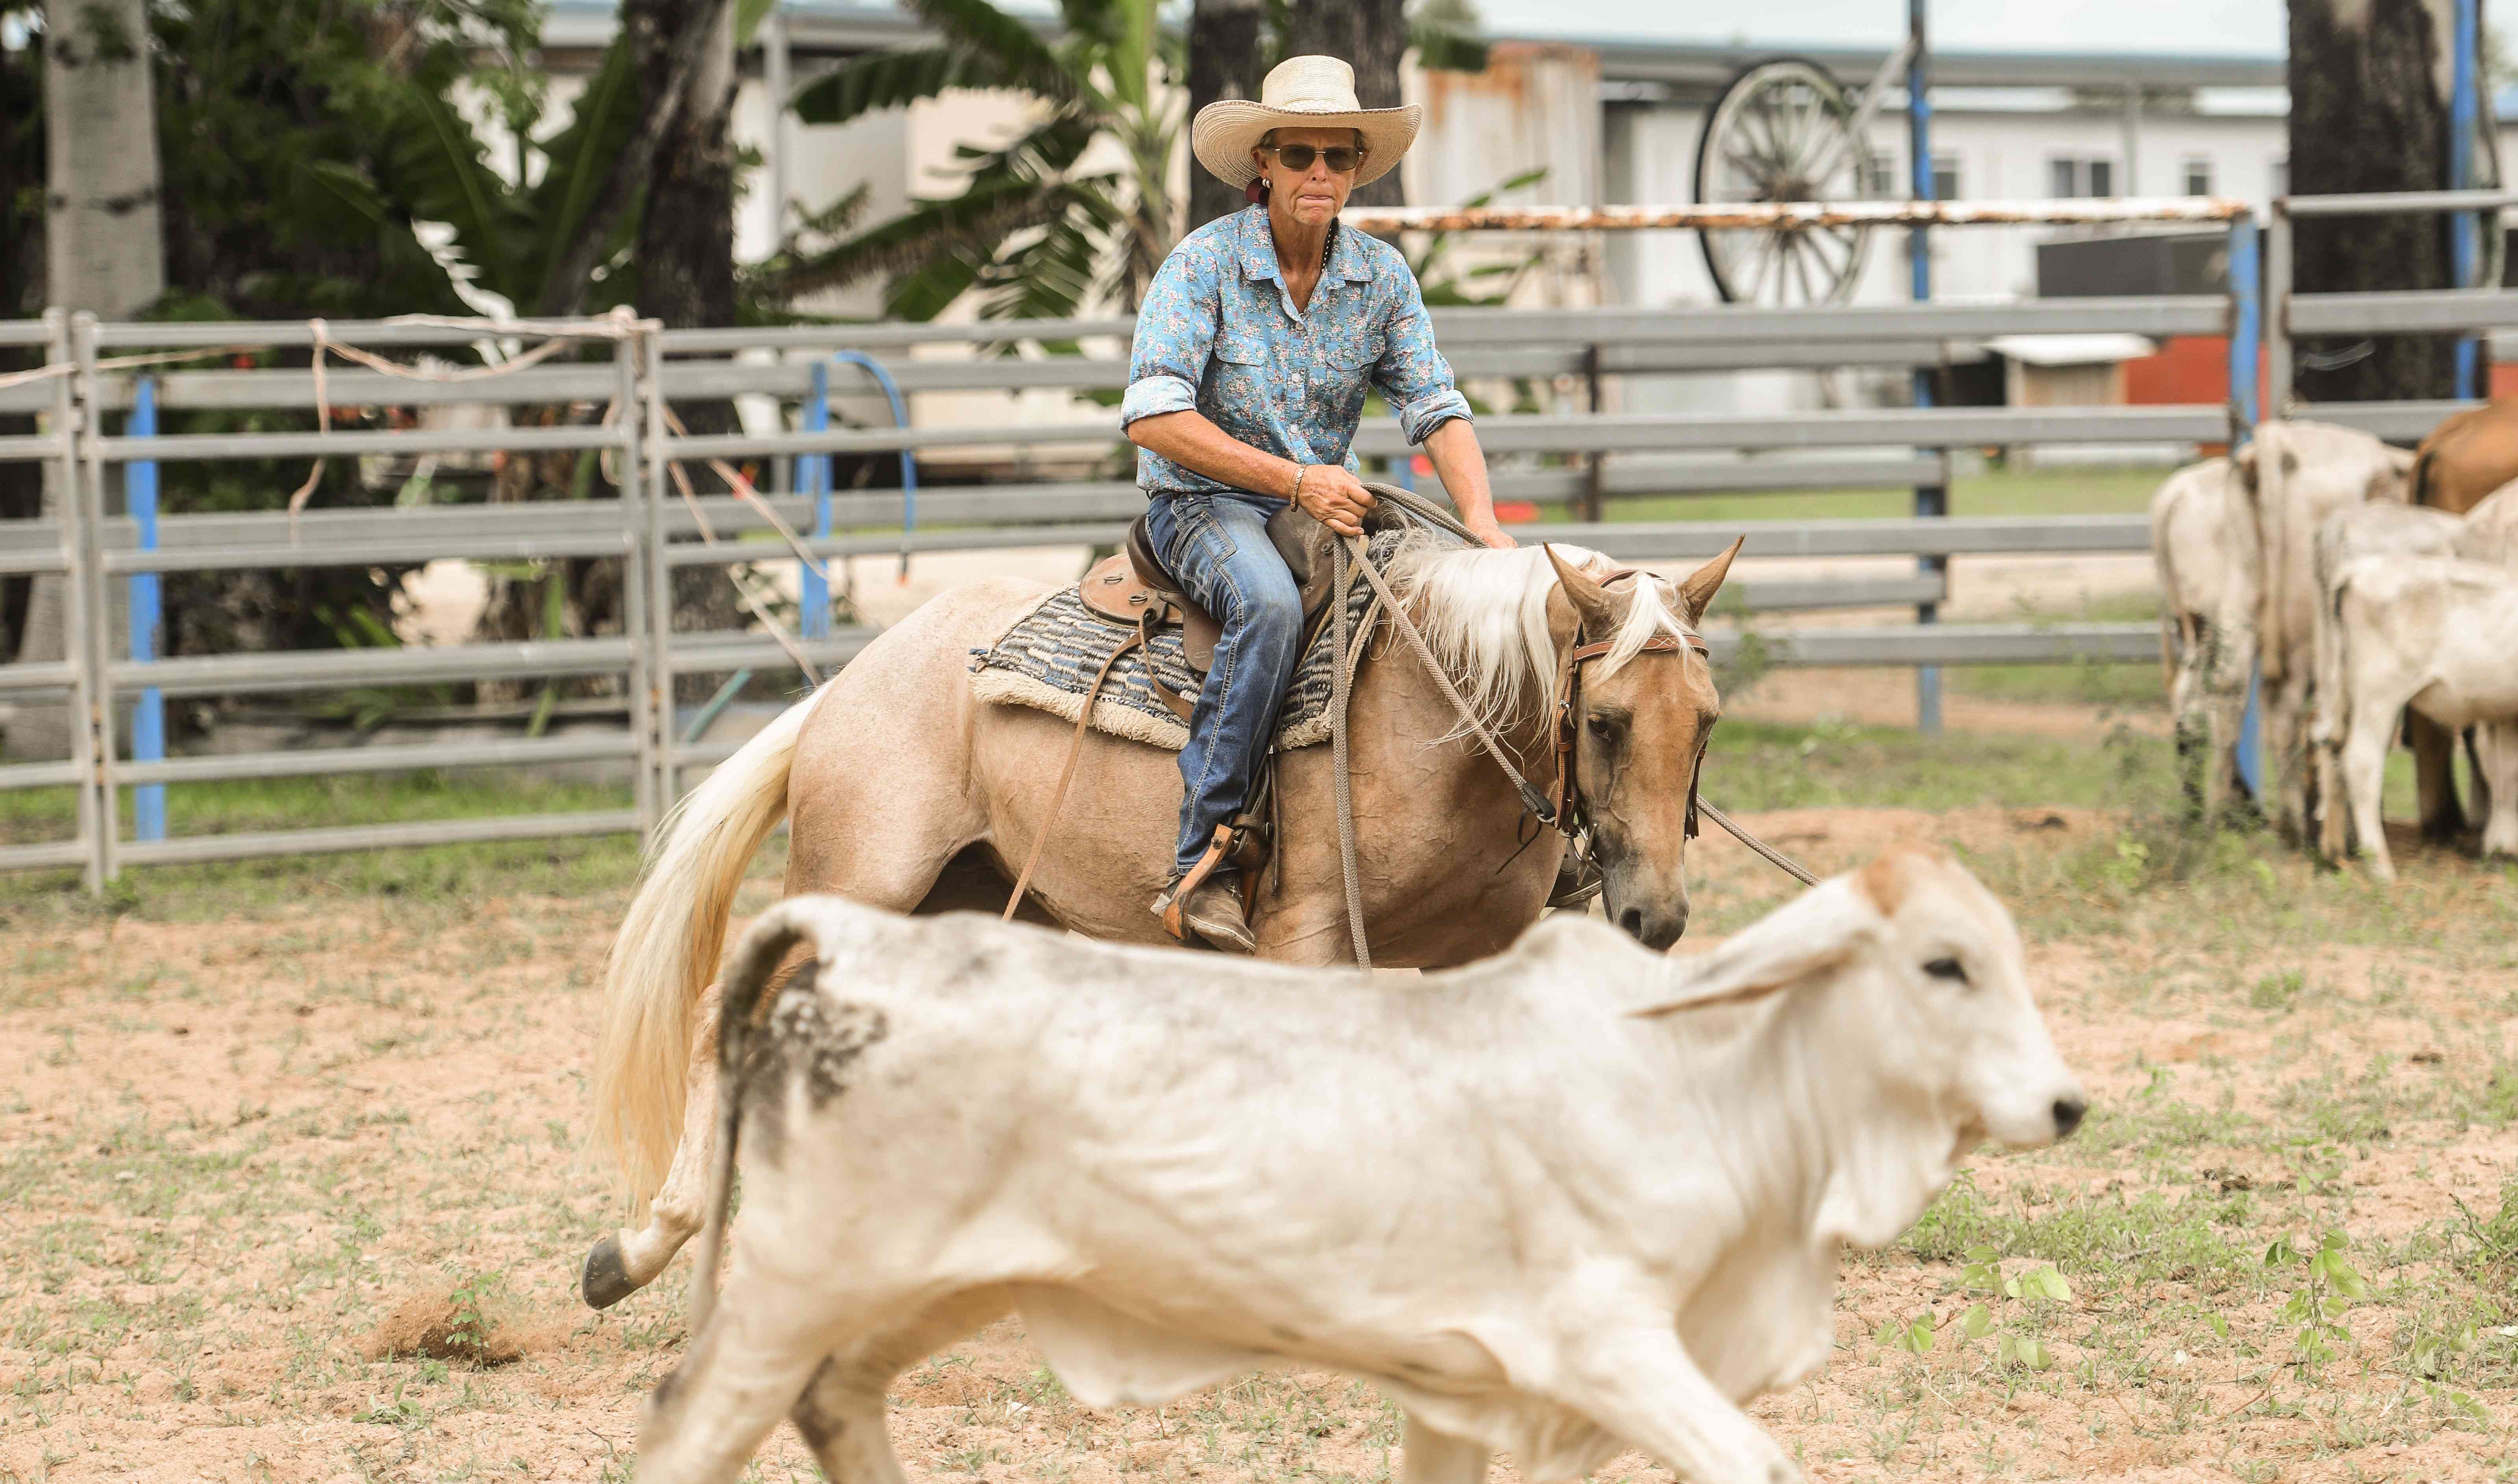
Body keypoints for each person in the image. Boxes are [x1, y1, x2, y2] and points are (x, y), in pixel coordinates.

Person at [1122, 54, 1516, 953]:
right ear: (1264, 162)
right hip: (1202, 504)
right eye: (1300, 154)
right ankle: (1205, 859)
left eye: (1338, 156)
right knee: (1264, 605)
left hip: (1320, 509)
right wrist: (1298, 480)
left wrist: (1484, 525)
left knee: (1457, 596)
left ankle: (1519, 835)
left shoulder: (1381, 278)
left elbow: (1436, 406)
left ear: (1357, 168)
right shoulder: (1204, 265)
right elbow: (1152, 416)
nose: (1320, 173)